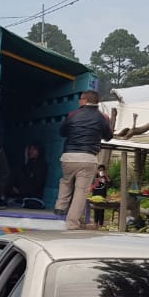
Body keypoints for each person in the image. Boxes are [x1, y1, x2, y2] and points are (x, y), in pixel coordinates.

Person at [55, 90, 113, 230]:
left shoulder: (73, 115)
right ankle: (72, 223)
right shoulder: (102, 117)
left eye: (80, 99)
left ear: (85, 100)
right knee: (81, 191)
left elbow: (62, 132)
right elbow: (108, 136)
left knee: (66, 181)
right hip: (88, 158)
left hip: (69, 157)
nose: (79, 101)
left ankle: (60, 206)